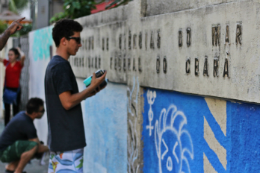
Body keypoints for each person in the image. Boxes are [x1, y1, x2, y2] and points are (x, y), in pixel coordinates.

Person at [44, 19, 107, 173]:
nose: (80, 44)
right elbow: (67, 102)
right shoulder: (60, 66)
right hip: (67, 144)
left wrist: (88, 92)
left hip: (62, 143)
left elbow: (67, 100)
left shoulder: (55, 64)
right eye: (77, 40)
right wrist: (90, 88)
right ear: (64, 41)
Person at [0, 98, 49, 173]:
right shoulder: (27, 124)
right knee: (34, 147)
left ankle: (11, 167)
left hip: (7, 149)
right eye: (42, 111)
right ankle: (18, 171)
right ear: (34, 113)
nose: (44, 112)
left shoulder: (23, 115)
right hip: (4, 153)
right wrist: (52, 147)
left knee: (34, 146)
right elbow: (38, 147)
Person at [0, 47, 25, 126]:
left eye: (11, 55)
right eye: (8, 55)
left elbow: (23, 56)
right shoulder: (7, 63)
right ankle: (7, 126)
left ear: (16, 55)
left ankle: (15, 126)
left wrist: (19, 50)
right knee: (7, 110)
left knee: (15, 109)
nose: (9, 57)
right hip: (7, 88)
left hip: (16, 89)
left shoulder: (19, 64)